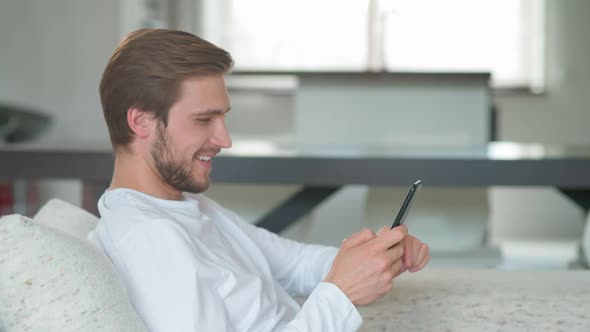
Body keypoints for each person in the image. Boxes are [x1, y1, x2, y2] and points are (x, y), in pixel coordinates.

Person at [89, 28, 430, 332]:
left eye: (223, 117)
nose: (225, 139)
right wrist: (341, 293)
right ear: (141, 122)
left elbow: (293, 263)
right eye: (204, 119)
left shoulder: (186, 207)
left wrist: (376, 258)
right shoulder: (149, 239)